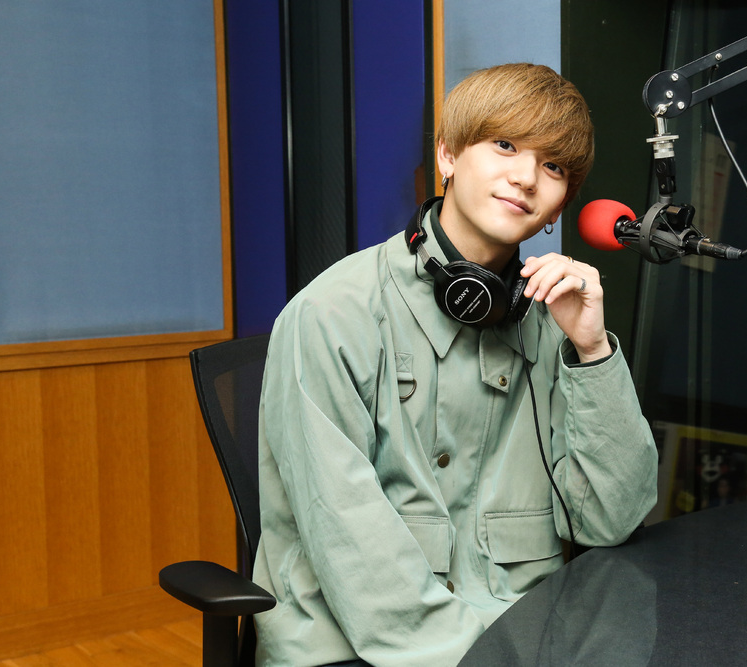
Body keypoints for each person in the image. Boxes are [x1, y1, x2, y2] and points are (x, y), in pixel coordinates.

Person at [253, 62, 658, 667]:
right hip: (355, 646)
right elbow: (349, 538)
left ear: (558, 210)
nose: (525, 177)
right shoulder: (330, 314)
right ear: (446, 156)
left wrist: (592, 351)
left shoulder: (555, 321)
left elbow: (611, 520)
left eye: (553, 166)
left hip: (524, 631)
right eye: (504, 145)